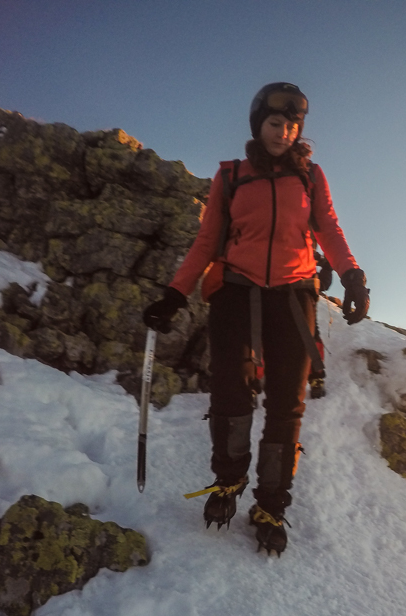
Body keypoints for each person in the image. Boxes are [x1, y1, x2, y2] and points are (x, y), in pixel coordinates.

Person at [142, 82, 369, 555]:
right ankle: (229, 482)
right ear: (257, 124)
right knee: (231, 391)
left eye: (291, 125)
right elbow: (207, 241)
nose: (283, 132)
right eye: (274, 123)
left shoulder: (310, 177)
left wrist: (351, 275)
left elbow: (327, 226)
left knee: (287, 404)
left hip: (293, 296)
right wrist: (174, 294)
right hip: (237, 293)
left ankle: (271, 503)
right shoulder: (229, 178)